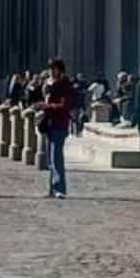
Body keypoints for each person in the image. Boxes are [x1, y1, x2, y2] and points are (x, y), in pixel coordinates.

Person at [39, 58, 76, 198]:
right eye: (49, 69)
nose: (50, 72)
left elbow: (65, 105)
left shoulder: (65, 85)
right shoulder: (50, 84)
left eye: (53, 69)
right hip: (49, 124)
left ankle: (59, 188)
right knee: (50, 158)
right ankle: (53, 189)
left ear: (59, 70)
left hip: (59, 124)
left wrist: (47, 106)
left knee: (56, 157)